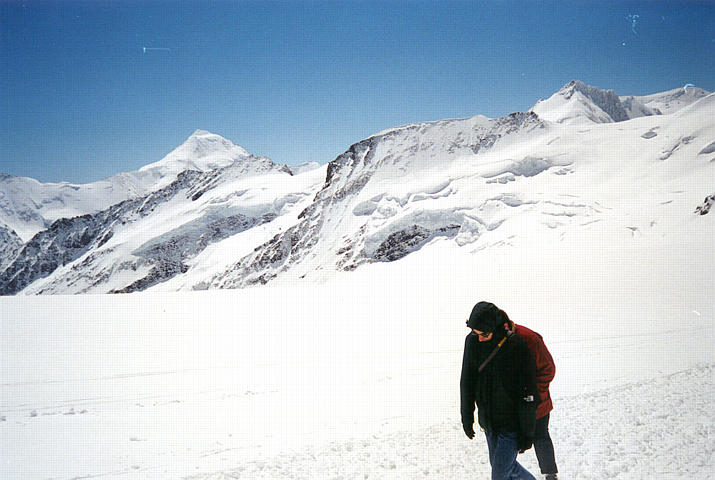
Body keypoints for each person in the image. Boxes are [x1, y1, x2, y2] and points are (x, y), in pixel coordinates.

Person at [460, 301, 539, 480]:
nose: (479, 338)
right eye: (475, 332)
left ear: (495, 329)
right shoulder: (472, 342)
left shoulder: (516, 346)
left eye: (484, 334)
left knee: (499, 474)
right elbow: (467, 381)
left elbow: (528, 393)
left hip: (511, 426)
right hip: (489, 423)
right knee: (505, 468)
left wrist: (527, 432)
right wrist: (467, 415)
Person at [506, 315, 559, 480]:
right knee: (510, 440)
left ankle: (550, 474)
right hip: (515, 405)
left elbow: (548, 369)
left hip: (538, 404)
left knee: (540, 436)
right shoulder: (497, 339)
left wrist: (535, 393)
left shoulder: (529, 338)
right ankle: (508, 472)